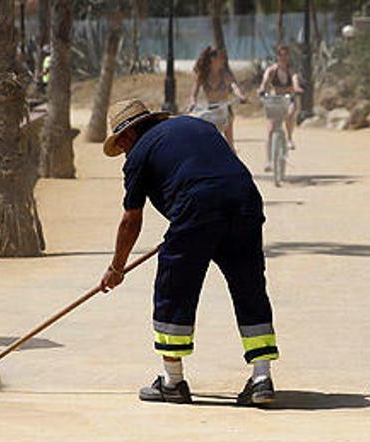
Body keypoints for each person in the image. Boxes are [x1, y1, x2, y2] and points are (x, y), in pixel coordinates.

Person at [99, 98, 279, 406]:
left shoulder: (139, 154)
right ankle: (262, 378)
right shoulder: (197, 125)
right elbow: (215, 169)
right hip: (245, 201)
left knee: (174, 288)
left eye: (122, 145)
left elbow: (131, 219)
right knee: (249, 286)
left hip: (197, 207)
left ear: (127, 135)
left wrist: (116, 268)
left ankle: (172, 381)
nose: (124, 153)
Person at [189, 46, 247, 150]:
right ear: (213, 59)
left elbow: (234, 86)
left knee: (229, 141)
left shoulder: (224, 74)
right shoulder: (202, 75)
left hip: (224, 109)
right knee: (204, 138)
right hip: (210, 110)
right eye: (221, 58)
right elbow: (194, 93)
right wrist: (192, 102)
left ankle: (232, 156)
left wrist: (240, 96)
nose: (223, 60)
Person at [258, 45, 303, 160]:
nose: (283, 57)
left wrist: (296, 88)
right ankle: (269, 161)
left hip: (288, 99)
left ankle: (289, 138)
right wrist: (262, 89)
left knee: (291, 112)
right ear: (277, 56)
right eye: (280, 55)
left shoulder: (291, 70)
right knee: (270, 129)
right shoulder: (272, 70)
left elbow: (295, 81)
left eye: (285, 55)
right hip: (275, 99)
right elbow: (264, 82)